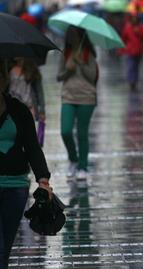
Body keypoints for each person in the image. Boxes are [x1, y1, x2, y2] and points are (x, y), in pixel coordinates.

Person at [0, 58, 53, 268]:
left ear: (4, 80)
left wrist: (43, 180)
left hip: (16, 187)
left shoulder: (19, 111)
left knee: (5, 249)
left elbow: (32, 147)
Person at [57, 26, 98, 180]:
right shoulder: (65, 53)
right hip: (68, 96)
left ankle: (83, 166)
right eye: (70, 34)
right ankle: (73, 159)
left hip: (87, 97)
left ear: (81, 36)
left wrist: (81, 63)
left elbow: (92, 77)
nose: (72, 37)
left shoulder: (89, 53)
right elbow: (59, 76)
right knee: (65, 131)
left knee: (82, 133)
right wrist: (68, 70)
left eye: (75, 34)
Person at [8, 58, 46, 122]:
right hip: (12, 107)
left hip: (29, 107)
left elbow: (39, 92)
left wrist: (42, 110)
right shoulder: (8, 67)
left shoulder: (32, 69)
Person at [120, 13, 143, 91]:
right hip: (130, 51)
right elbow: (124, 38)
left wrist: (138, 33)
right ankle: (131, 81)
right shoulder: (127, 27)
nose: (134, 20)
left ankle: (135, 81)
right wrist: (121, 49)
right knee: (131, 66)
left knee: (136, 66)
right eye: (133, 18)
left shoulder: (141, 27)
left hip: (139, 51)